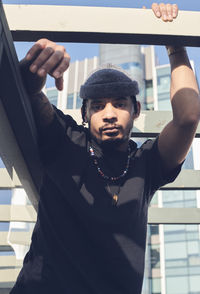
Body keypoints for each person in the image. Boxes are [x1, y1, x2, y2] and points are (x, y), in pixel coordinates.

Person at [10, 3, 200, 294]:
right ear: (84, 114)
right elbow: (28, 91)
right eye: (98, 106)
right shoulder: (64, 140)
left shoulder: (146, 162)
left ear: (136, 109)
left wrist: (175, 45)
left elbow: (188, 117)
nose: (109, 113)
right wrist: (36, 66)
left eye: (119, 104)